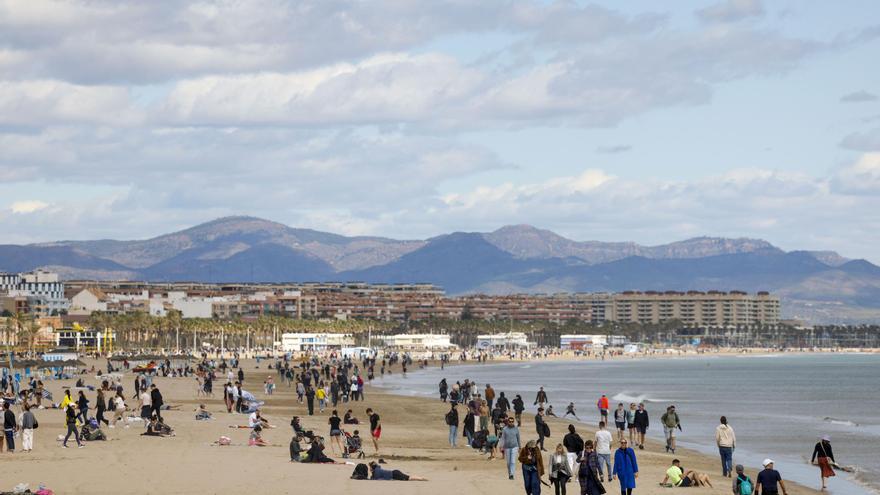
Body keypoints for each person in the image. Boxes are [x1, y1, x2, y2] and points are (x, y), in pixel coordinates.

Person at [500, 416, 522, 480]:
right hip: (507, 447)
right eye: (510, 422)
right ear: (508, 422)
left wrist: (520, 447)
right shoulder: (505, 429)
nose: (511, 423)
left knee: (513, 461)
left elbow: (518, 438)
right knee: (508, 462)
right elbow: (503, 438)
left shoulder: (516, 429)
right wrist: (501, 446)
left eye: (512, 422)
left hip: (515, 446)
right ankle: (510, 473)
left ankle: (512, 474)